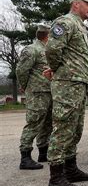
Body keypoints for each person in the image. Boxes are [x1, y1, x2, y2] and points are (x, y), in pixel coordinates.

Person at [45, 0, 88, 186]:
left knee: (75, 128)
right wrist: (59, 69)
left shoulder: (81, 27)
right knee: (63, 126)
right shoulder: (65, 22)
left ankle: (70, 168)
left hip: (78, 83)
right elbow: (52, 49)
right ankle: (56, 177)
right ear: (76, 4)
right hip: (68, 83)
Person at [16, 24, 52, 170]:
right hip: (37, 93)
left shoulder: (47, 50)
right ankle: (25, 157)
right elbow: (21, 70)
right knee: (34, 123)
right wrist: (25, 87)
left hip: (49, 92)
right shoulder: (32, 49)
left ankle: (43, 152)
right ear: (47, 36)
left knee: (47, 123)